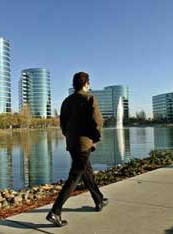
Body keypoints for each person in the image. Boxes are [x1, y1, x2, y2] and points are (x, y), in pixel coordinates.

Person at [46, 72, 108, 227]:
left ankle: (99, 199)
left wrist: (69, 136)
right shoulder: (89, 98)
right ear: (86, 83)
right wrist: (95, 137)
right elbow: (98, 121)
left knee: (86, 171)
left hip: (72, 143)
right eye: (88, 83)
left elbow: (63, 124)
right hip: (84, 143)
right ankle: (55, 212)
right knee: (75, 176)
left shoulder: (66, 101)